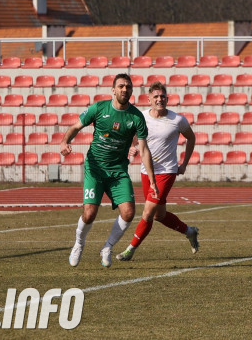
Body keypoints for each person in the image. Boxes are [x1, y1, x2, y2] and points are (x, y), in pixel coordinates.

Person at [61, 73, 149, 268]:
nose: (125, 89)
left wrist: (140, 155)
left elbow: (142, 146)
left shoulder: (136, 116)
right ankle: (79, 244)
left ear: (132, 91)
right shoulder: (99, 108)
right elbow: (76, 126)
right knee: (90, 213)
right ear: (113, 90)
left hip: (118, 171)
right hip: (95, 169)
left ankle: (107, 247)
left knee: (128, 212)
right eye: (121, 86)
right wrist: (65, 141)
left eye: (128, 87)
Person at [115, 81, 200, 262]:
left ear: (167, 98)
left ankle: (130, 250)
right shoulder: (142, 117)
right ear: (149, 99)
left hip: (167, 172)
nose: (159, 99)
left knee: (147, 213)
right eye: (156, 96)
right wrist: (132, 147)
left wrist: (184, 163)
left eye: (162, 96)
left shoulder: (178, 120)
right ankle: (189, 231)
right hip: (147, 171)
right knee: (158, 215)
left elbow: (191, 138)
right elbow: (134, 137)